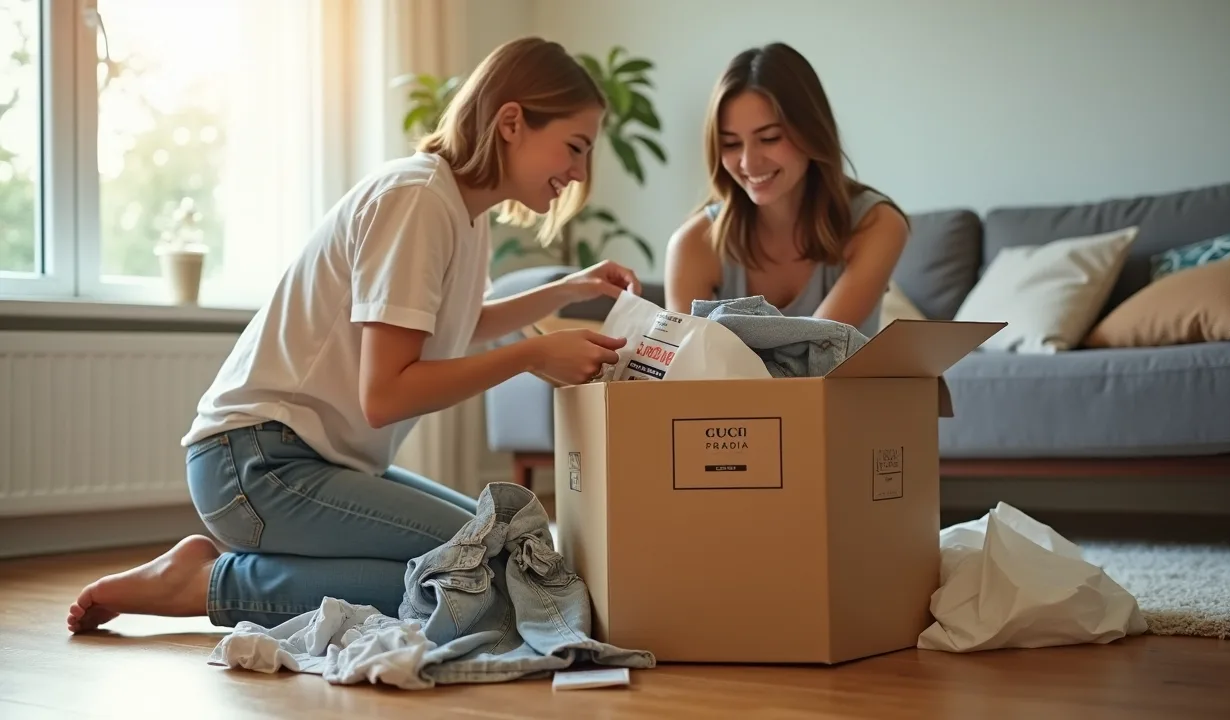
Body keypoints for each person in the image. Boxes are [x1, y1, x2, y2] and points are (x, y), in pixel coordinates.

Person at [67, 37, 639, 634]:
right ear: (512, 122)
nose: (578, 173)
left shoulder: (460, 212)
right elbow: (385, 394)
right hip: (257, 465)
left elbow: (460, 325)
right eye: (574, 147)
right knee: (484, 569)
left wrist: (568, 290)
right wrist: (531, 354)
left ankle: (242, 566)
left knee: (500, 551)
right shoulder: (418, 199)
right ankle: (214, 583)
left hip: (303, 461)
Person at [664, 43, 910, 335]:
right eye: (730, 144)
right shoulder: (693, 244)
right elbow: (681, 371)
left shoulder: (878, 225)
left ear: (811, 131)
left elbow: (815, 356)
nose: (749, 163)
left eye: (769, 138)